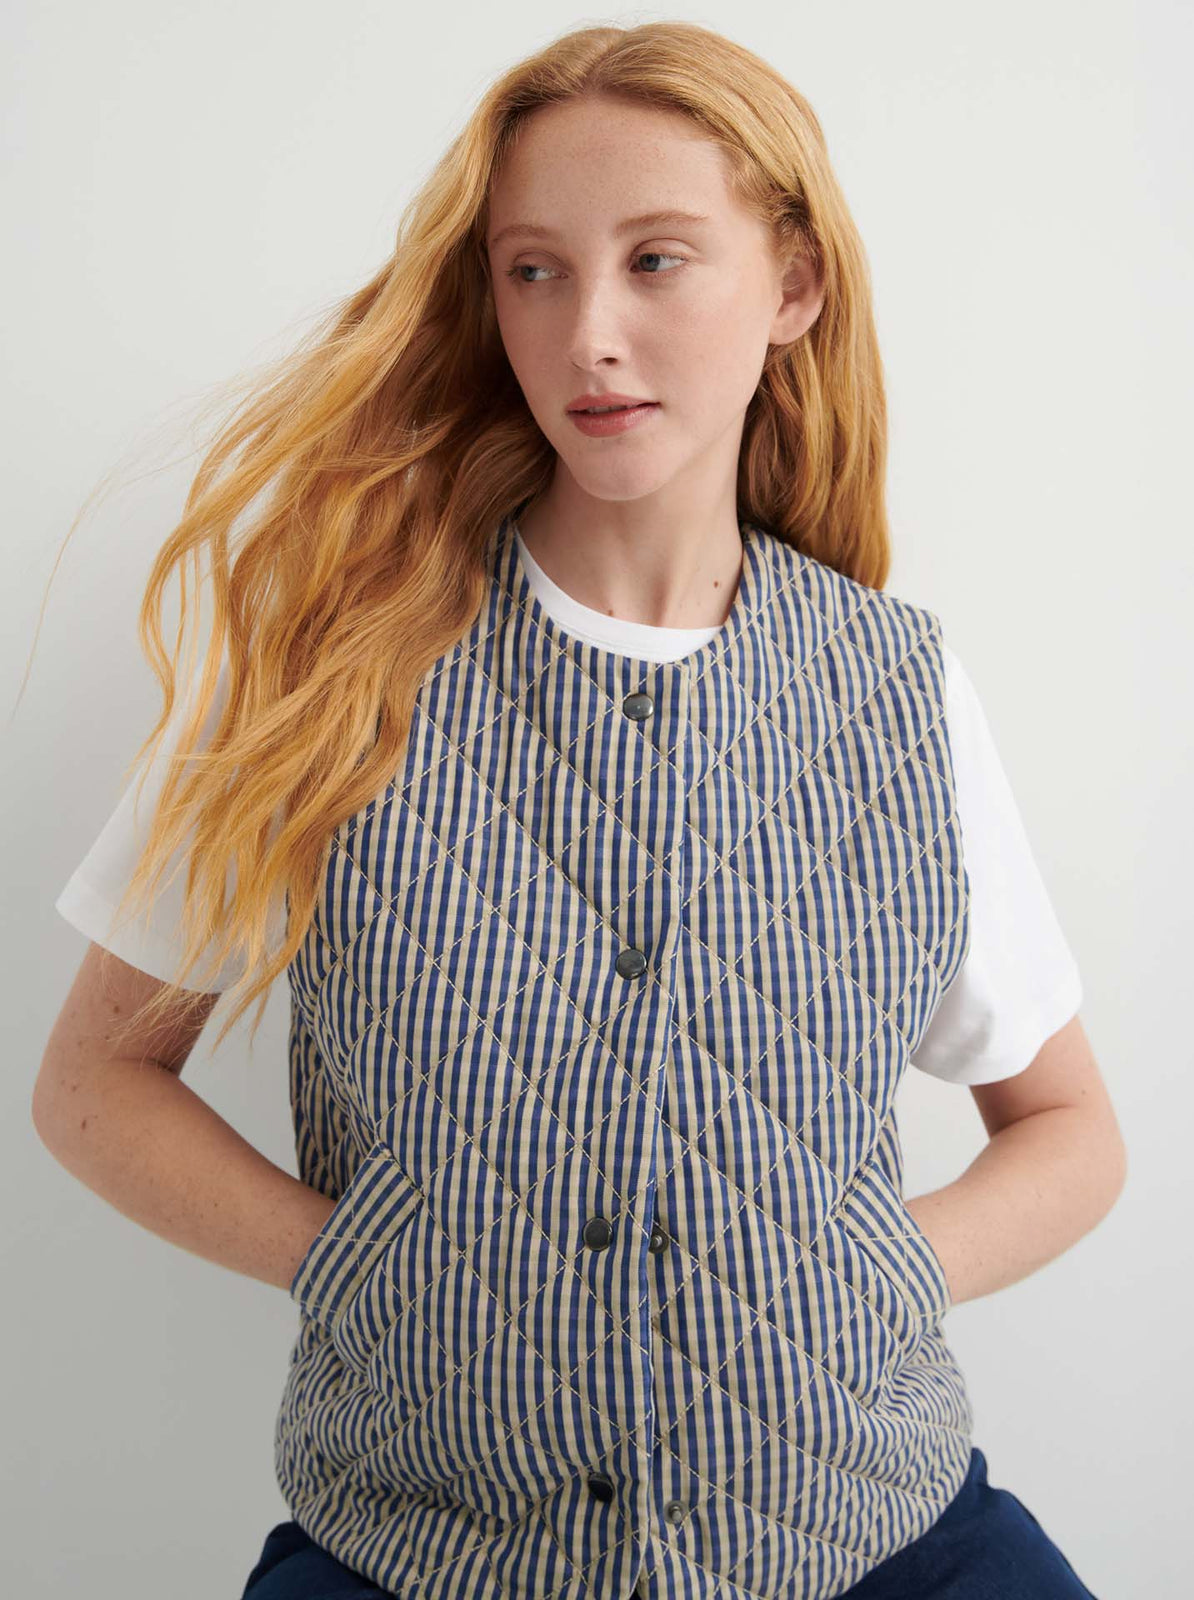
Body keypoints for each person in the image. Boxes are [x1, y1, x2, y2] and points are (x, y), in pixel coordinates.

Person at [34, 21, 1123, 1600]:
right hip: (421, 1546)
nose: (588, 332)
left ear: (794, 287)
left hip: (874, 1533)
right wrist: (348, 1262)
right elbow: (90, 1085)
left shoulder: (897, 692)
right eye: (533, 271)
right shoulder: (332, 671)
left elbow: (1075, 1133)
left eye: (657, 261)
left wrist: (888, 1270)